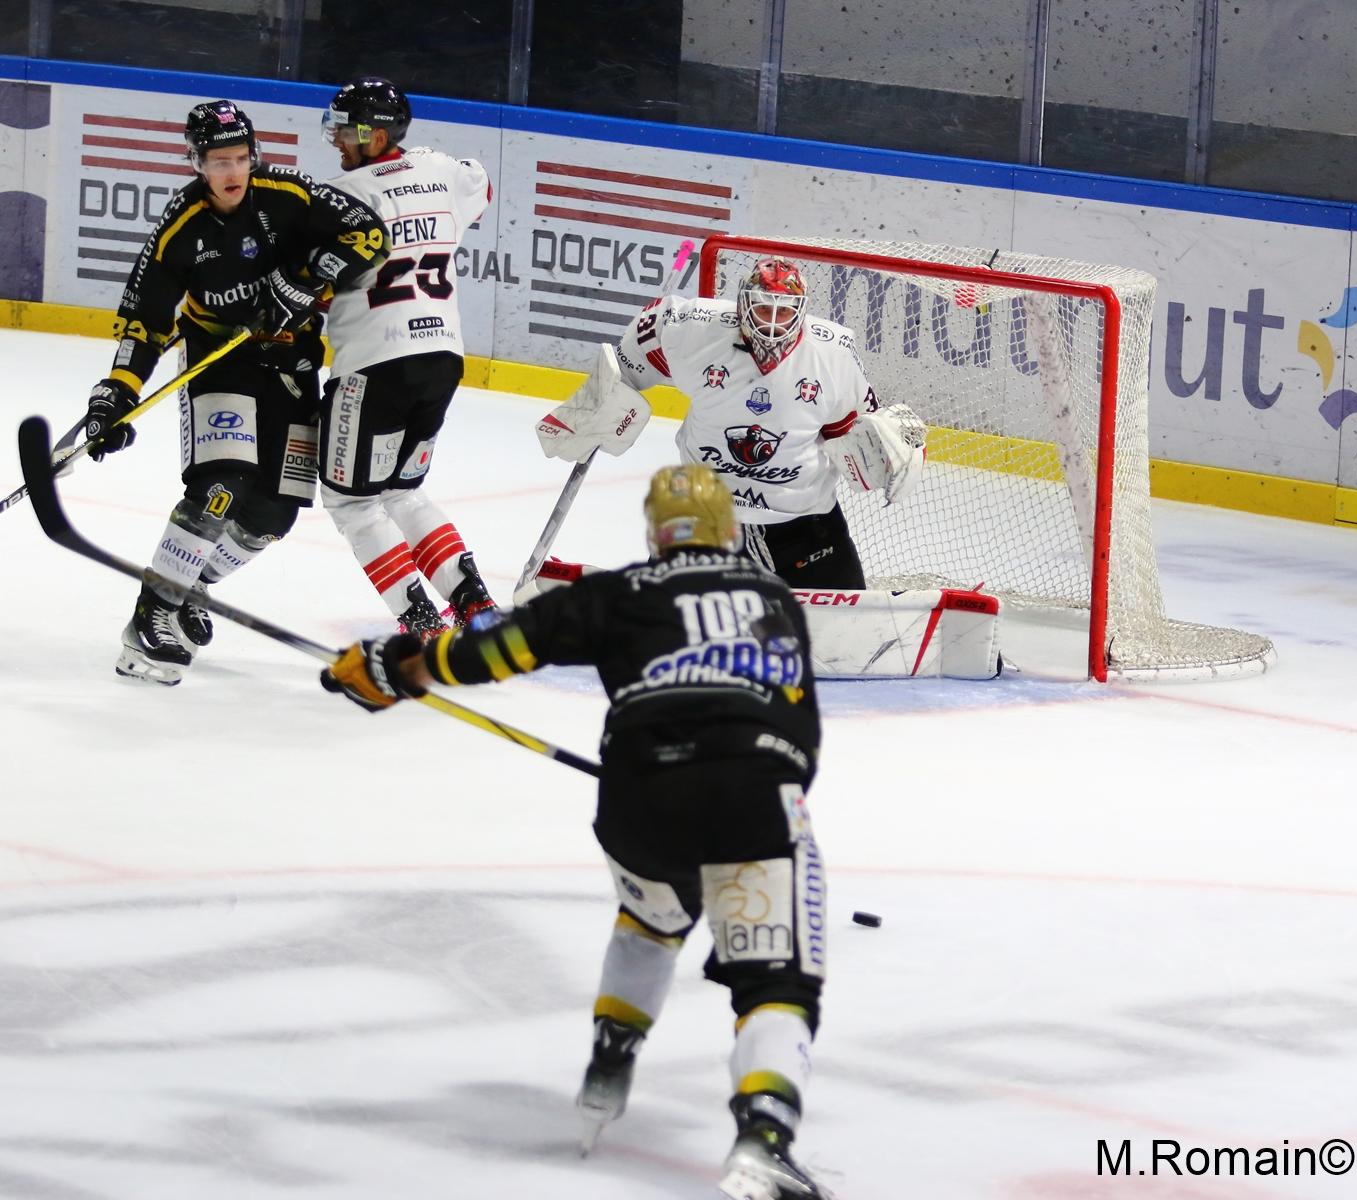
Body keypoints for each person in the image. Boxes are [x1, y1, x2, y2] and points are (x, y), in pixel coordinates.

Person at [320, 464, 833, 1200]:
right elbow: (799, 729)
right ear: (727, 528)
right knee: (776, 980)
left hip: (639, 796)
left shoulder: (617, 592)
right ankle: (763, 1138)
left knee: (651, 921)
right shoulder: (776, 598)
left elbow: (491, 651)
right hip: (754, 794)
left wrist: (399, 668)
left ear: (656, 533)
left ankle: (608, 1062)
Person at [82, 99, 389, 685]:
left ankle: (193, 586)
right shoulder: (180, 225)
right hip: (218, 363)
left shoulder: (290, 194)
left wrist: (303, 282)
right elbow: (143, 320)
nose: (232, 172)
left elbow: (369, 232)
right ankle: (153, 612)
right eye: (218, 160)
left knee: (273, 514)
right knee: (221, 483)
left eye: (241, 158)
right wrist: (115, 393)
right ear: (196, 162)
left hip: (292, 363)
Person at [528, 256, 925, 597]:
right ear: (742, 306)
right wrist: (598, 404)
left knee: (851, 623)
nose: (771, 323)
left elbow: (849, 437)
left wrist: (887, 454)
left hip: (804, 528)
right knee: (660, 623)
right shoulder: (689, 330)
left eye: (783, 311)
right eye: (763, 308)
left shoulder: (833, 355)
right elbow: (626, 366)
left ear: (801, 311)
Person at [314, 76, 498, 635]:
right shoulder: (442, 171)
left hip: (375, 364)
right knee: (403, 490)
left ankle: (421, 622)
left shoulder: (340, 197)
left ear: (374, 134)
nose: (337, 141)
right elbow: (482, 189)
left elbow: (314, 288)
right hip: (442, 357)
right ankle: (476, 606)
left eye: (347, 130)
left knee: (352, 503)